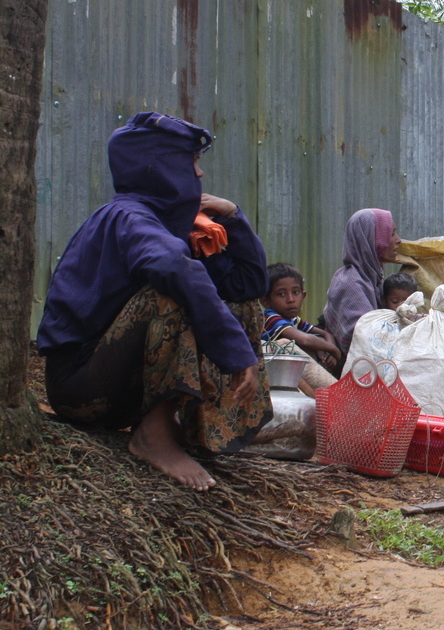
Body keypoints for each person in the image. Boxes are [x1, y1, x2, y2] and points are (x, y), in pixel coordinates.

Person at [37, 112, 271, 491]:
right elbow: (176, 270)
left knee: (235, 305)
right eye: (190, 162)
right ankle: (152, 436)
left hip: (123, 391)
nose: (199, 174)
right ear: (159, 167)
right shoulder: (127, 217)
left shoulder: (171, 225)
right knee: (172, 294)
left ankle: (186, 426)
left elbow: (248, 286)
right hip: (79, 389)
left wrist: (233, 217)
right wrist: (237, 355)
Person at [324, 208, 401, 361]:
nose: (398, 240)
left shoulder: (372, 277)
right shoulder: (351, 283)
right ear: (371, 240)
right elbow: (363, 339)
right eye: (391, 234)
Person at [262, 263, 340, 389]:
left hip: (292, 375)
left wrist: (328, 353)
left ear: (303, 296)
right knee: (305, 344)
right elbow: (305, 339)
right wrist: (334, 350)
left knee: (318, 343)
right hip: (274, 375)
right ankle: (334, 394)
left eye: (295, 292)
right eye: (281, 294)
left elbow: (326, 334)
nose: (291, 299)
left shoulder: (293, 319)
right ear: (266, 301)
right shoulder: (271, 318)